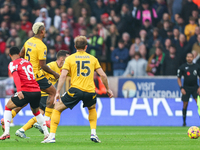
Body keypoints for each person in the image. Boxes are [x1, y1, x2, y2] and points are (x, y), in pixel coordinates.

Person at [42, 36, 113, 143]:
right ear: (86, 47)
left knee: (57, 108)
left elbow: (63, 76)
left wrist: (57, 92)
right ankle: (93, 133)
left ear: (75, 47)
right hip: (90, 91)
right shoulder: (93, 59)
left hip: (75, 90)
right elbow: (103, 75)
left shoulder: (70, 59)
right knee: (92, 109)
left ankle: (51, 136)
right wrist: (108, 89)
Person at [12, 50, 69, 138]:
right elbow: (38, 76)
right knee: (46, 112)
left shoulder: (63, 69)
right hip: (43, 92)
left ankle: (22, 130)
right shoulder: (51, 66)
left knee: (40, 113)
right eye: (67, 58)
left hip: (48, 93)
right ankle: (42, 123)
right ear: (61, 59)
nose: (68, 60)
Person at [0, 47, 49, 140]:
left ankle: (6, 132)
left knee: (8, 107)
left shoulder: (12, 63)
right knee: (37, 112)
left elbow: (16, 77)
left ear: (10, 55)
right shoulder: (27, 62)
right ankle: (47, 134)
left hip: (26, 91)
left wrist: (19, 90)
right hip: (37, 91)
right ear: (19, 53)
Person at [20, 22, 60, 126]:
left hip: (26, 75)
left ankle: (8, 116)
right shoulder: (42, 46)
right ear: (42, 31)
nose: (45, 31)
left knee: (24, 99)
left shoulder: (28, 41)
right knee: (53, 93)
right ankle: (46, 118)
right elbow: (43, 66)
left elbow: (21, 54)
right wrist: (55, 73)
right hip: (36, 75)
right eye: (45, 29)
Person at [177, 53, 200, 126]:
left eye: (191, 57)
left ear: (193, 58)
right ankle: (184, 122)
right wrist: (181, 88)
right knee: (185, 104)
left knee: (199, 104)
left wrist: (199, 87)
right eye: (188, 57)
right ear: (186, 58)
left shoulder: (197, 67)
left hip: (195, 88)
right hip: (186, 88)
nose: (189, 58)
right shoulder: (183, 67)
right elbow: (178, 77)